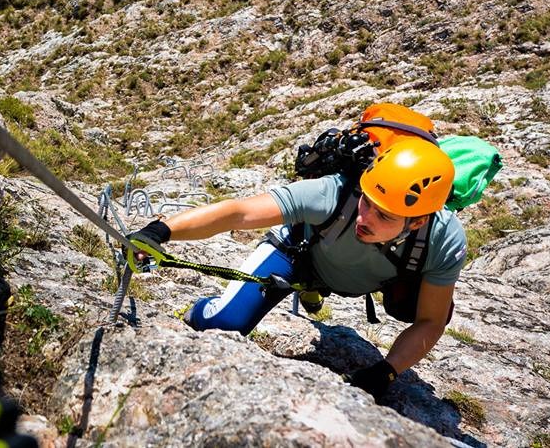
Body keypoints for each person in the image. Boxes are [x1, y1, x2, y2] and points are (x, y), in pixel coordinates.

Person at [130, 138, 467, 401]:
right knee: (224, 323)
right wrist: (162, 231)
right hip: (297, 256)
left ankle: (312, 290)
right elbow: (240, 213)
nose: (364, 218)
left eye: (385, 216)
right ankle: (202, 309)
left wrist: (386, 372)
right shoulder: (334, 193)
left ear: (419, 220)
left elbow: (431, 321)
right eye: (366, 201)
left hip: (363, 275)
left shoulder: (444, 242)